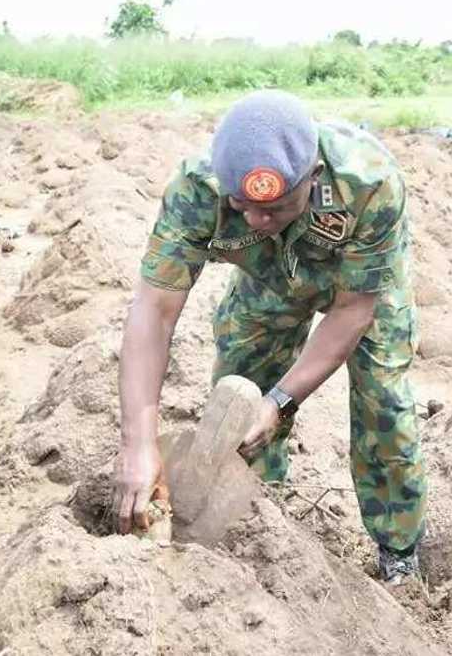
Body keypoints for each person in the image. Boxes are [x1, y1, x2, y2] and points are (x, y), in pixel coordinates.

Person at [113, 90, 427, 584]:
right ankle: (261, 510)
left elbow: (351, 312)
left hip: (360, 285)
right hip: (270, 278)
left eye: (277, 208)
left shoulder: (368, 183)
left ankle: (399, 547)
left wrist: (281, 401)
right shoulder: (197, 189)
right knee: (241, 392)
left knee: (383, 402)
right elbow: (153, 311)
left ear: (314, 178)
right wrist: (138, 442)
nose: (258, 221)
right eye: (242, 207)